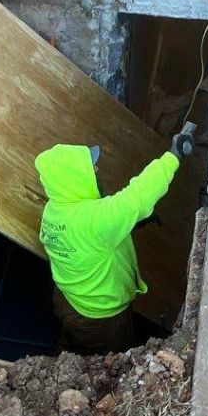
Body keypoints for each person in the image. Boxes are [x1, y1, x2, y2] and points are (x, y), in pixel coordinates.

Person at [35, 136, 189, 350]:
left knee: (73, 337)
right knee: (109, 356)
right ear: (74, 179)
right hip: (99, 314)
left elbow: (87, 241)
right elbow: (137, 198)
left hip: (67, 299)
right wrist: (173, 156)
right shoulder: (93, 220)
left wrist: (133, 223)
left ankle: (66, 348)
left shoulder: (53, 211)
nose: (97, 171)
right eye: (90, 169)